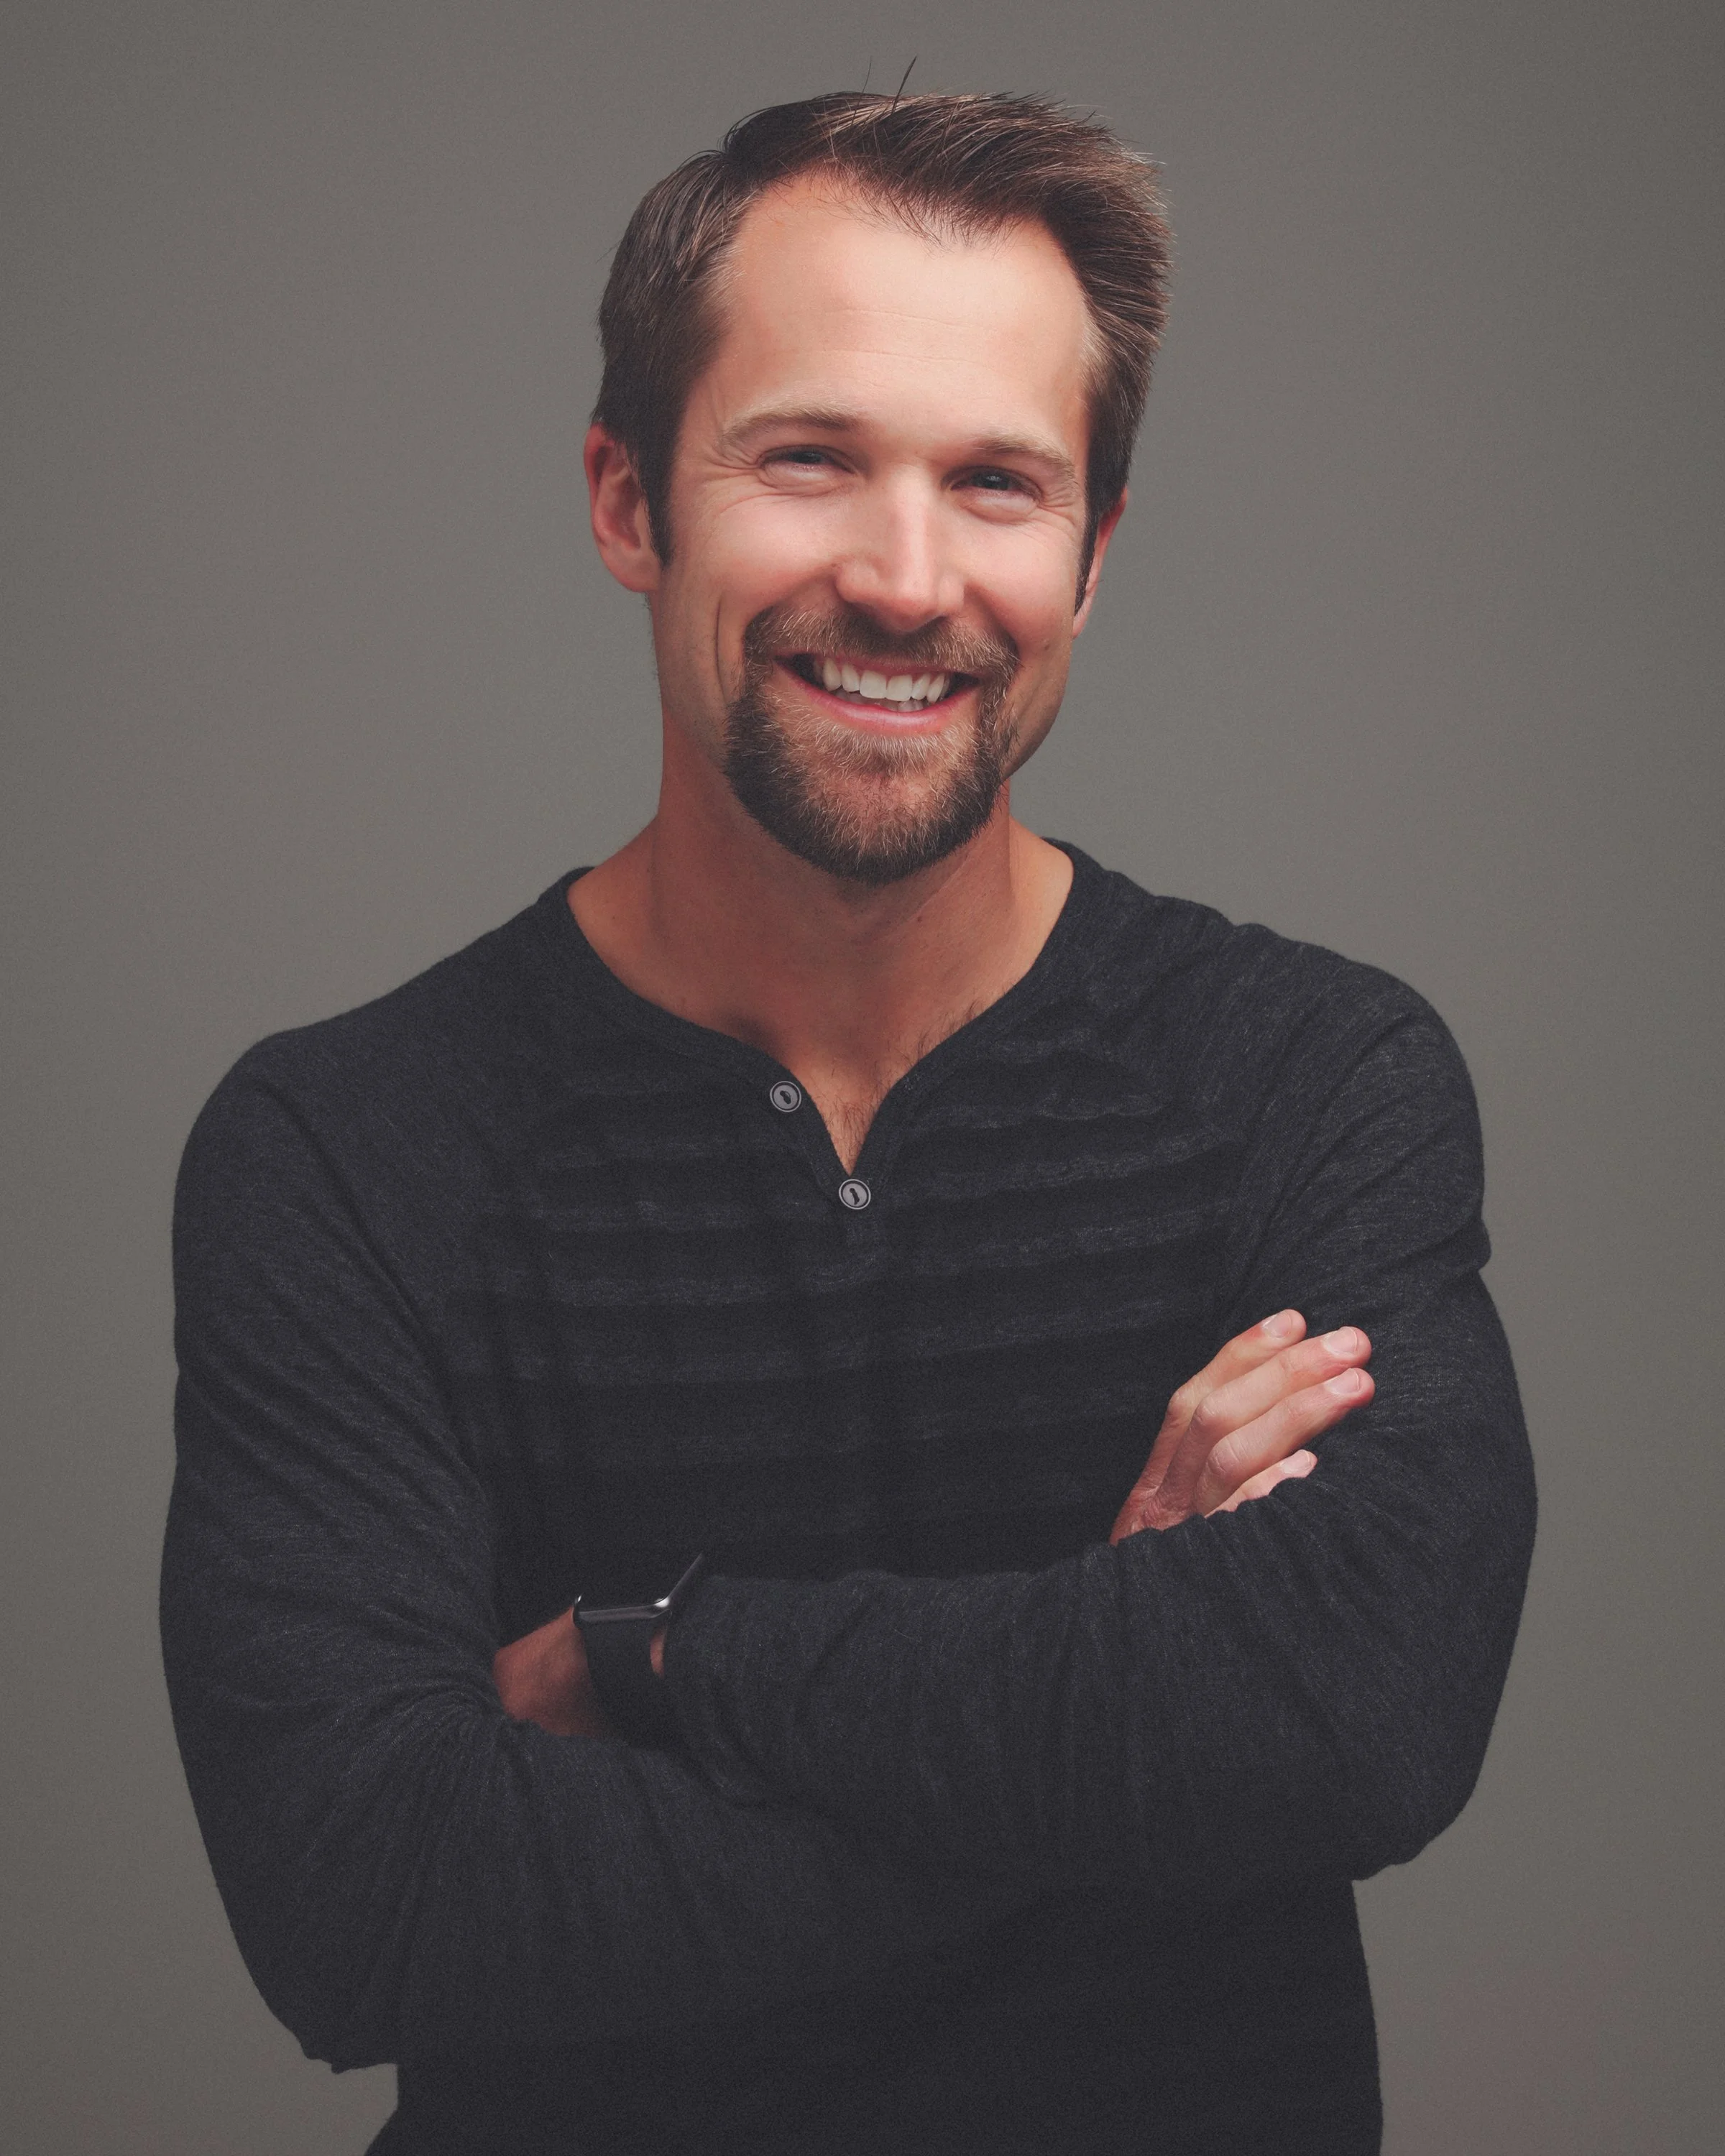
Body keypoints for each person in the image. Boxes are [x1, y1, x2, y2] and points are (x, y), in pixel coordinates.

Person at [161, 92, 1535, 2155]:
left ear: (1094, 552)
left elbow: (1356, 1721)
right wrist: (1114, 1696)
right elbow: (374, 1904)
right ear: (631, 504)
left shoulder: (1309, 1080)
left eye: (999, 483)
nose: (907, 581)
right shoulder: (346, 1154)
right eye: (810, 460)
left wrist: (653, 1656)